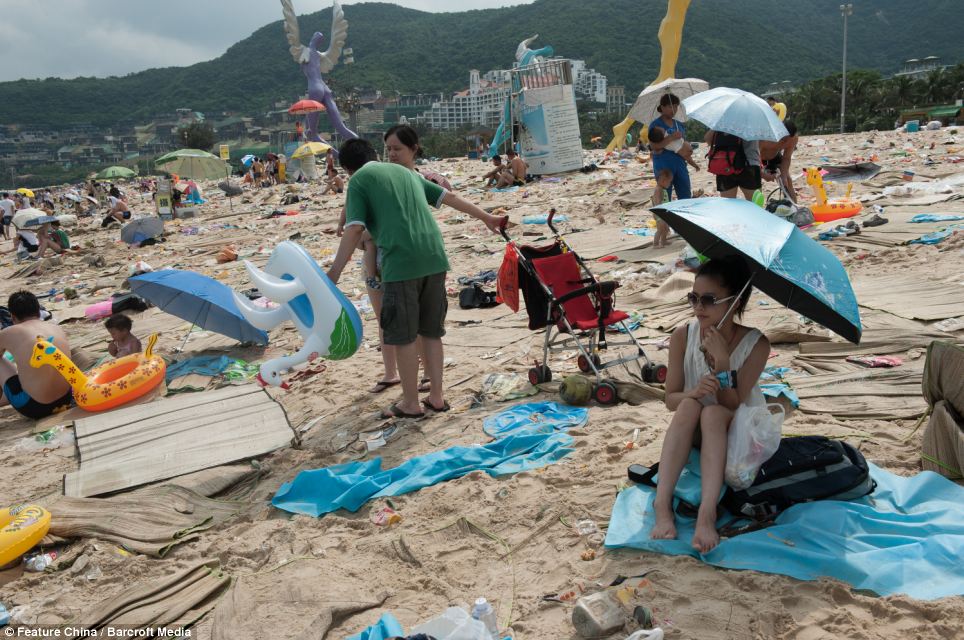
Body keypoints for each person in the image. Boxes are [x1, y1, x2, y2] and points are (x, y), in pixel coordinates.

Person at [327, 138, 505, 419]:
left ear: (347, 168)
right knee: (431, 332)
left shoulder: (359, 180)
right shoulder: (406, 172)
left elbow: (354, 228)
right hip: (434, 257)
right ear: (376, 154)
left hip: (401, 262)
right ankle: (436, 397)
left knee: (403, 336)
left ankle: (410, 403)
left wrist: (333, 273)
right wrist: (486, 217)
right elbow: (449, 198)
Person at [649, 257, 771, 553]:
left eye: (708, 299)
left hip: (736, 432)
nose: (698, 307)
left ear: (735, 301)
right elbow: (670, 400)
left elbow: (732, 402)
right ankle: (662, 504)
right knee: (691, 406)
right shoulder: (683, 336)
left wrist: (724, 365)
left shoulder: (757, 344)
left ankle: (707, 513)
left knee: (714, 412)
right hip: (694, 431)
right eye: (693, 298)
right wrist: (693, 391)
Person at [0, 291, 73, 419]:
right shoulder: (56, 328)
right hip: (67, 399)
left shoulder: (8, 332)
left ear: (12, 317)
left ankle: (4, 398)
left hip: (35, 407)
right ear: (39, 312)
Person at [648, 94, 693, 200]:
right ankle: (663, 216)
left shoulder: (679, 125)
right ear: (662, 107)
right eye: (670, 106)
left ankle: (682, 217)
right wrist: (671, 138)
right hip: (663, 165)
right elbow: (654, 146)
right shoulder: (656, 125)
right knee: (664, 196)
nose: (673, 109)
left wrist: (690, 156)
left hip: (680, 164)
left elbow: (682, 145)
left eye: (676, 106)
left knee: (685, 194)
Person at [704, 129, 761, 200]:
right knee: (755, 205)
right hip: (749, 165)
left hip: (725, 165)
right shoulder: (752, 120)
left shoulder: (723, 121)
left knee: (729, 205)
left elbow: (708, 140)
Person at [759, 120, 799, 202]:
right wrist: (763, 175)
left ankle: (794, 207)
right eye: (783, 140)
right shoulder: (765, 137)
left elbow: (786, 158)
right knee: (755, 185)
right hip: (758, 158)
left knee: (787, 180)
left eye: (788, 140)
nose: (785, 143)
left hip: (774, 156)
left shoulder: (793, 139)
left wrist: (784, 176)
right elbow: (753, 158)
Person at [650, 168, 673, 248]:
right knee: (660, 229)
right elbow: (657, 202)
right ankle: (655, 244)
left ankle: (664, 241)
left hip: (663, 213)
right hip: (659, 214)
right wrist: (660, 213)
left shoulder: (662, 189)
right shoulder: (658, 190)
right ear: (663, 181)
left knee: (666, 229)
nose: (670, 184)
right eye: (669, 182)